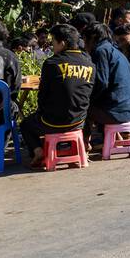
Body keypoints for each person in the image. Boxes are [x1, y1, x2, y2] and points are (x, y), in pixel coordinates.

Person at [19, 24, 95, 166]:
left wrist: (41, 112)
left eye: (53, 41)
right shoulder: (90, 64)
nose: (52, 45)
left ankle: (38, 151)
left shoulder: (52, 63)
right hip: (79, 121)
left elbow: (42, 95)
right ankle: (81, 146)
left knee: (25, 124)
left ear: (63, 43)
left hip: (52, 122)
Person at [82, 22, 130, 139]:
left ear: (92, 38)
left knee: (80, 108)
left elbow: (101, 83)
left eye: (84, 39)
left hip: (119, 112)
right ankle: (113, 137)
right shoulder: (113, 49)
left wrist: (87, 99)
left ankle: (84, 143)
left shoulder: (100, 51)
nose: (84, 44)